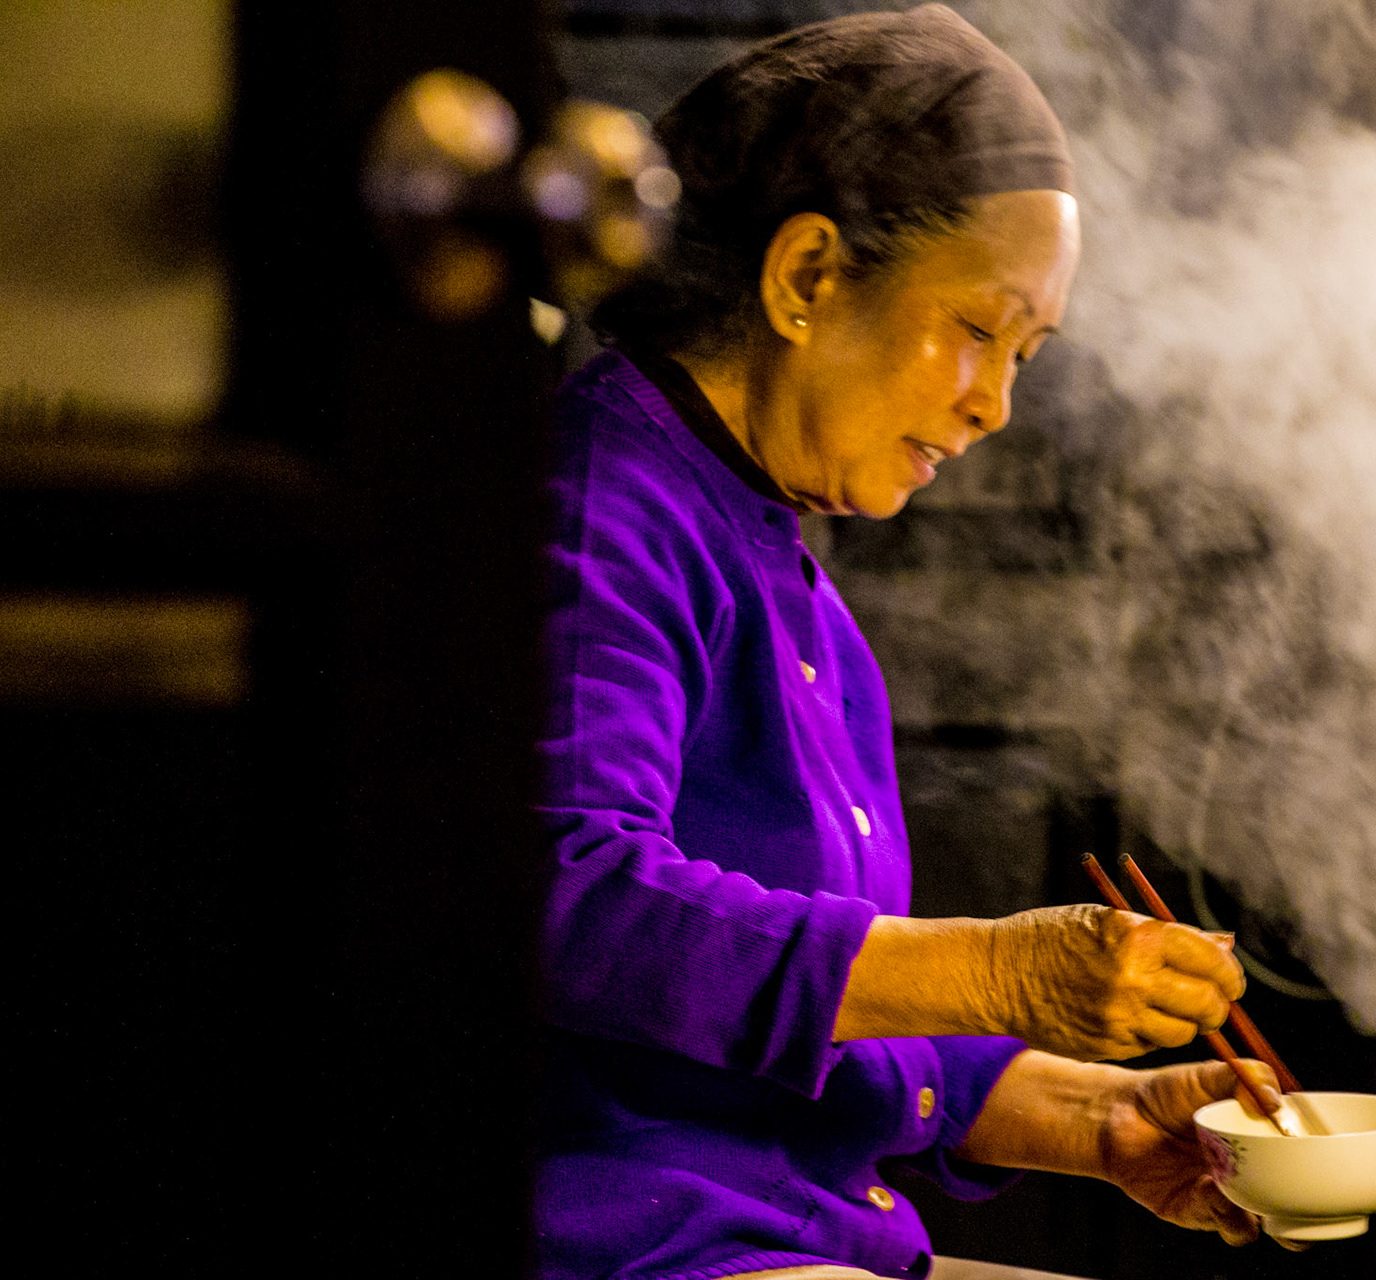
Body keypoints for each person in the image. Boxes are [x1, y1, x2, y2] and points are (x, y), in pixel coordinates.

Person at [535, 9, 1278, 1278]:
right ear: (808, 277)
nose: (994, 402)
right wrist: (996, 969)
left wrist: (1099, 1117)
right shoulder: (608, 499)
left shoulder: (793, 580)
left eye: (1026, 354)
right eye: (980, 329)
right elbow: (569, 898)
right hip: (643, 1245)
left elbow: (818, 1013)